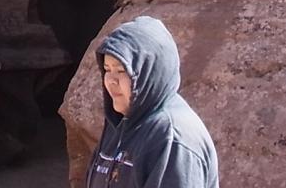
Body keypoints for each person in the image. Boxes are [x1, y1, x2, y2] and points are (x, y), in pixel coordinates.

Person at [86, 15, 218, 188]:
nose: (111, 80)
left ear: (150, 72)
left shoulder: (172, 140)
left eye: (121, 71)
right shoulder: (122, 122)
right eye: (107, 70)